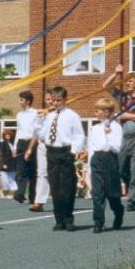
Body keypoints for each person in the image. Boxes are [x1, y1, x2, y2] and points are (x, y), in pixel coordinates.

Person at [39, 86, 85, 231]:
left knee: (67, 187)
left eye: (59, 100)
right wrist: (38, 122)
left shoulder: (72, 115)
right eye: (53, 100)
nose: (56, 103)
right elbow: (42, 134)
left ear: (65, 99)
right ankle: (59, 220)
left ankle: (68, 218)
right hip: (52, 152)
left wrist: (73, 151)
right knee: (55, 187)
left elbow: (79, 135)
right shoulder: (49, 116)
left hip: (65, 152)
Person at [104, 65, 135, 211]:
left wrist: (127, 116)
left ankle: (133, 199)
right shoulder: (122, 97)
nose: (128, 83)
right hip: (124, 138)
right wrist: (116, 74)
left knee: (134, 169)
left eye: (131, 81)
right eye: (126, 81)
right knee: (121, 169)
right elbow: (106, 86)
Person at [88, 97, 124, 233]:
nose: (95, 113)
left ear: (107, 112)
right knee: (97, 193)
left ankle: (118, 211)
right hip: (97, 160)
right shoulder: (94, 128)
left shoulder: (116, 127)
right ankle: (98, 222)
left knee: (112, 193)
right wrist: (89, 167)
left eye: (98, 111)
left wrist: (108, 135)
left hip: (110, 159)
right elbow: (91, 147)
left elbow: (117, 147)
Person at [13, 90, 39, 205]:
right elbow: (18, 130)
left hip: (32, 142)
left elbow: (36, 131)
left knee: (32, 171)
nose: (19, 102)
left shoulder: (35, 113)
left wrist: (31, 148)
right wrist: (14, 147)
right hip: (21, 143)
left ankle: (33, 197)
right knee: (20, 170)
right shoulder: (19, 115)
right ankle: (20, 193)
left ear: (28, 101)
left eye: (21, 100)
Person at [31, 90, 53, 212]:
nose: (50, 102)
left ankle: (60, 199)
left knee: (56, 174)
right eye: (48, 99)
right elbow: (36, 132)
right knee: (42, 173)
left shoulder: (61, 113)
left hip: (56, 147)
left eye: (52, 99)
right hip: (43, 145)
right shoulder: (42, 114)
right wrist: (30, 149)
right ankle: (39, 202)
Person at [0, 129, 17, 198]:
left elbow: (14, 153)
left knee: (12, 178)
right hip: (5, 164)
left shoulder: (12, 144)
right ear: (4, 136)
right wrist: (4, 164)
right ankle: (4, 192)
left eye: (9, 135)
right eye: (6, 135)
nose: (8, 136)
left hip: (12, 164)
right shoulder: (2, 143)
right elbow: (2, 155)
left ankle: (13, 193)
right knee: (5, 179)